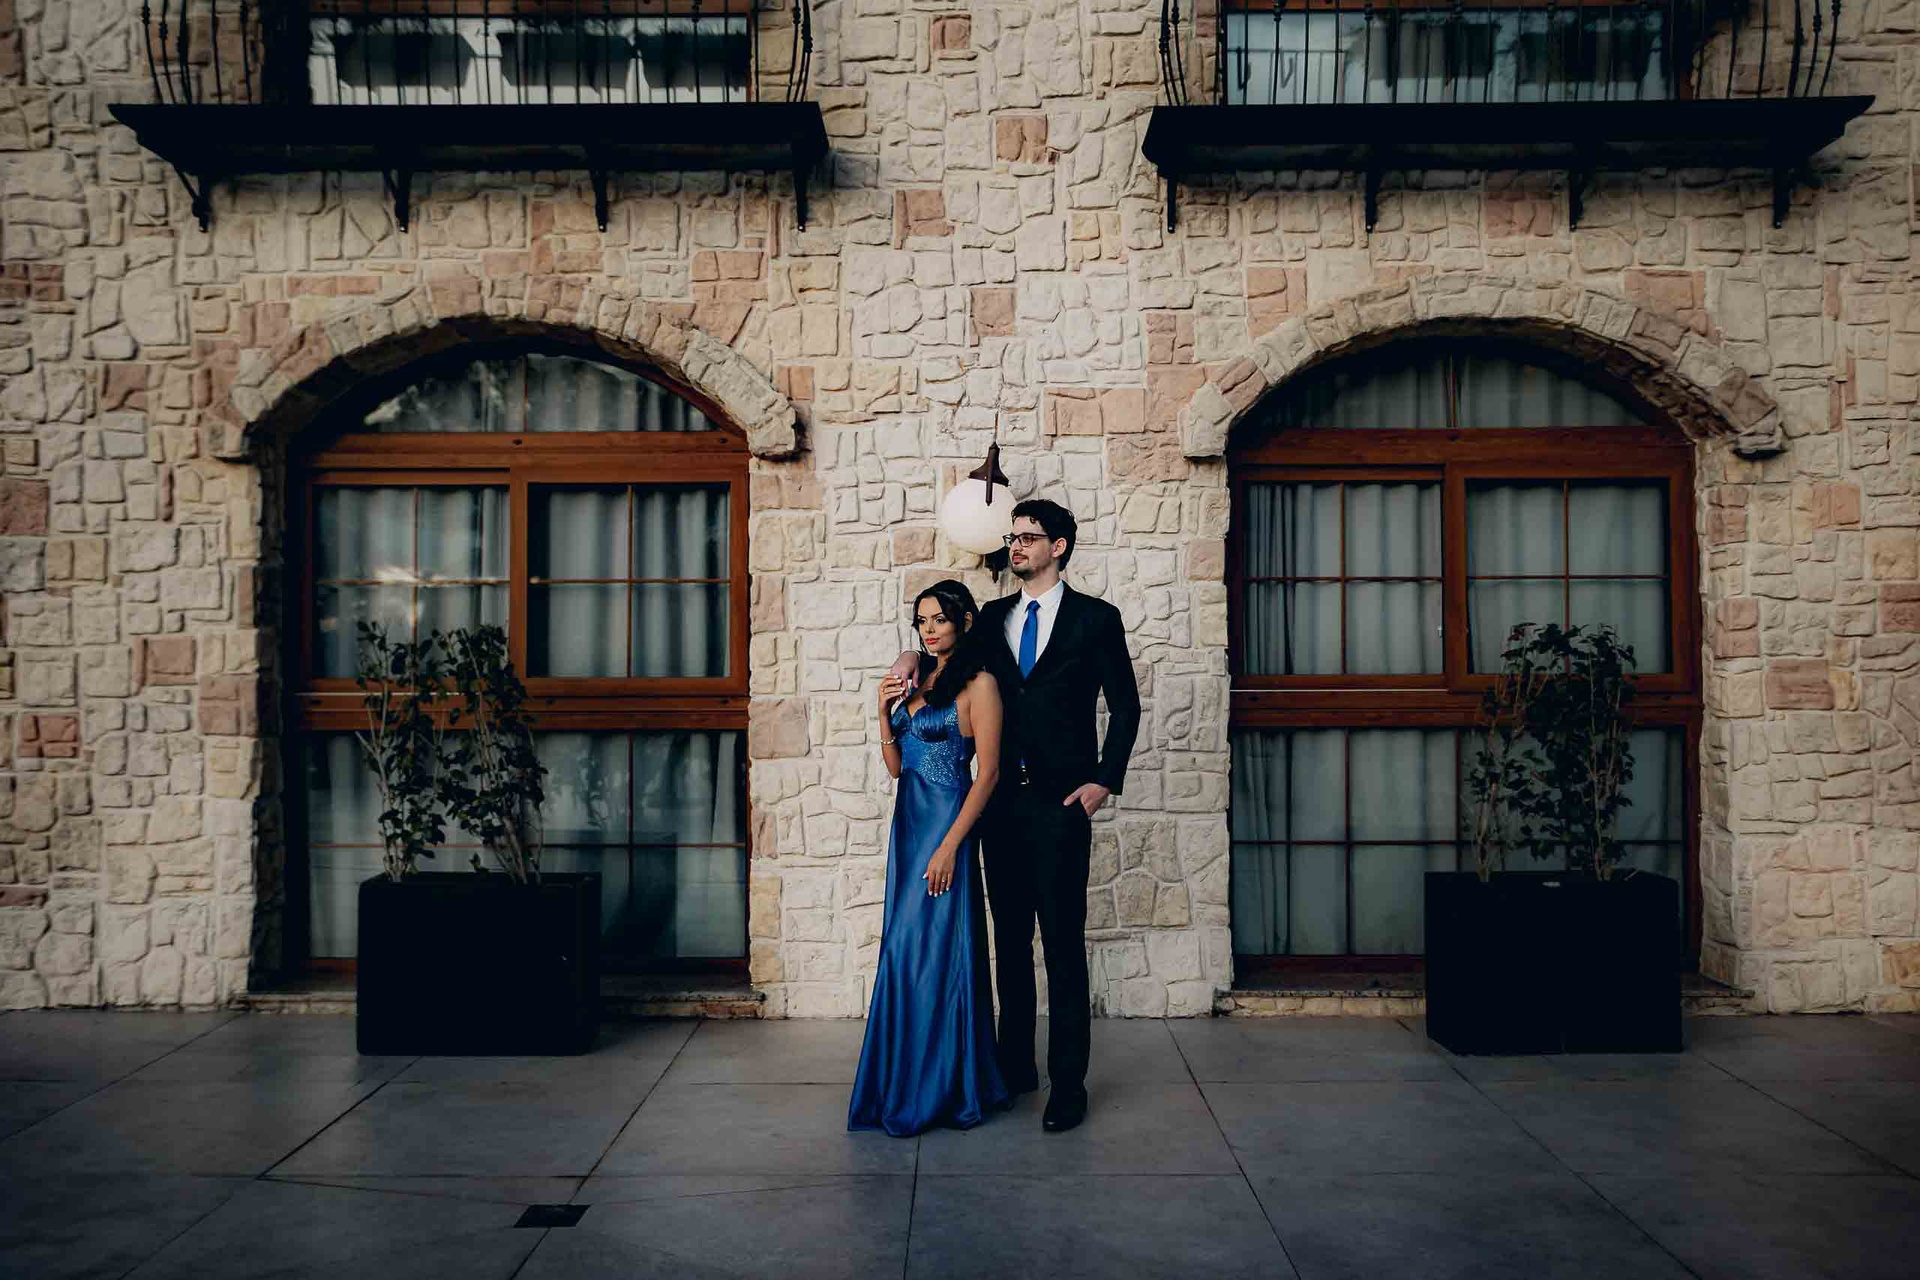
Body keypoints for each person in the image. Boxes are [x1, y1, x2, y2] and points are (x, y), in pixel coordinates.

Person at [886, 498, 1140, 1134]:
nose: (1017, 545)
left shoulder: (1096, 619)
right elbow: (939, 649)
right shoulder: (994, 616)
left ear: (1059, 546)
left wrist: (1103, 781)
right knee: (1009, 942)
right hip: (998, 807)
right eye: (1014, 536)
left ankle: (1068, 1086)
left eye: (1029, 537)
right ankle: (1015, 1068)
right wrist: (906, 660)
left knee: (1062, 944)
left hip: (1059, 805)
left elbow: (1126, 706)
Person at [848, 579, 1009, 1137]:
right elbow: (898, 768)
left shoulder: (980, 683)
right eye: (922, 621)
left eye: (939, 618)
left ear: (964, 620)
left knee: (935, 954)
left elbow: (988, 774)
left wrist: (950, 846)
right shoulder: (918, 677)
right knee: (903, 953)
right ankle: (904, 1081)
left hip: (945, 828)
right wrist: (881, 714)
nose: (929, 629)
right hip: (908, 828)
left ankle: (943, 1087)